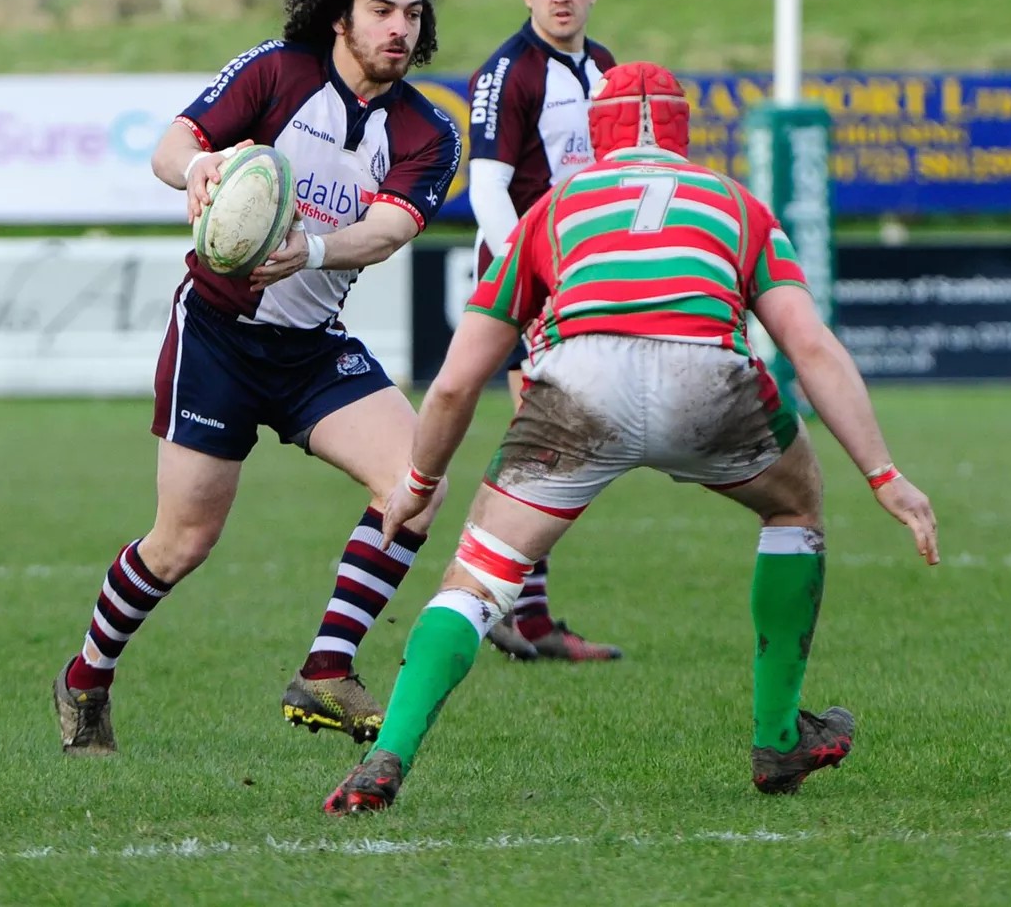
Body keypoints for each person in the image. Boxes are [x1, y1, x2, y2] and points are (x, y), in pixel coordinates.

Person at [322, 62, 939, 815]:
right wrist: (884, 476)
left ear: (594, 137)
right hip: (707, 377)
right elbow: (810, 346)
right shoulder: (737, 205)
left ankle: (386, 759)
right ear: (683, 132)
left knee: (480, 577)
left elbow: (453, 383)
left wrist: (417, 484)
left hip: (580, 383)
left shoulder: (553, 209)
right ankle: (780, 737)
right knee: (795, 508)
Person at [50, 0, 462, 756]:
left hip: (311, 346)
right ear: (340, 17)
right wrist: (198, 171)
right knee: (182, 543)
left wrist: (308, 250)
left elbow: (383, 234)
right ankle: (87, 675)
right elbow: (174, 144)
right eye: (382, 10)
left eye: (412, 14)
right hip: (217, 338)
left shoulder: (428, 132)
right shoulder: (277, 70)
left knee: (416, 483)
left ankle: (326, 669)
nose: (400, 30)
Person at [466, 0, 620, 662]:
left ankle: (522, 612)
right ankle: (508, 607)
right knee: (546, 443)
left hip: (584, 282)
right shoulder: (509, 72)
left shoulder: (606, 69)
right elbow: (488, 189)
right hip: (527, 280)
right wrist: (535, 276)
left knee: (553, 444)